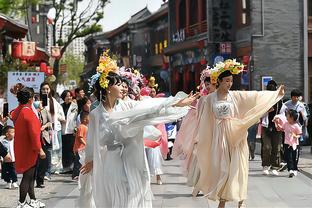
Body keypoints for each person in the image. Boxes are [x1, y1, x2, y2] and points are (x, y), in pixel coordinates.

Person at [78, 50, 198, 208]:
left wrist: (176, 103)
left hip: (131, 158)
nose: (123, 87)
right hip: (111, 162)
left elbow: (151, 107)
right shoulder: (96, 114)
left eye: (123, 84)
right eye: (118, 84)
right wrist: (90, 160)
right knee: (115, 198)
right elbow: (93, 141)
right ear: (107, 88)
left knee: (132, 196)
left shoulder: (128, 105)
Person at [195, 59, 284, 208]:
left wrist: (274, 95)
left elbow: (254, 96)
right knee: (222, 167)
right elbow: (206, 121)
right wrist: (203, 138)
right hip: (219, 136)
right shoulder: (209, 99)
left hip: (235, 133)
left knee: (238, 165)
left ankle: (241, 199)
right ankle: (223, 199)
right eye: (227, 81)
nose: (230, 84)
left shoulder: (235, 95)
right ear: (219, 81)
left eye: (231, 81)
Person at [11, 86, 46, 208]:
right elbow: (34, 134)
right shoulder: (29, 113)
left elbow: (12, 114)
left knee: (30, 176)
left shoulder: (21, 110)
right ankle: (21, 202)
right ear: (31, 99)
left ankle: (32, 200)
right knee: (28, 177)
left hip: (22, 147)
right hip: (30, 149)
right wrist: (40, 150)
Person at [39, 82, 65, 175]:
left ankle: (55, 168)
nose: (45, 91)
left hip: (54, 128)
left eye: (47, 89)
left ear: (50, 90)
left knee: (57, 149)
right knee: (45, 150)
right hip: (42, 129)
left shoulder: (54, 101)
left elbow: (60, 115)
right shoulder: (38, 101)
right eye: (43, 89)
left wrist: (58, 119)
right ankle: (45, 170)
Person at [260, 80, 283, 175]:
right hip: (266, 126)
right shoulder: (263, 100)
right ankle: (266, 165)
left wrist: (278, 118)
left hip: (276, 127)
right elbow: (258, 113)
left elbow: (283, 114)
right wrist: (267, 111)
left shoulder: (280, 101)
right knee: (266, 147)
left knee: (276, 147)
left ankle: (275, 166)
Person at [273, 109, 302, 178]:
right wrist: (277, 123)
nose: (286, 117)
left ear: (292, 118)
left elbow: (299, 134)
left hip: (294, 144)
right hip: (287, 143)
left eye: (288, 116)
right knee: (288, 157)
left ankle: (295, 169)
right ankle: (290, 170)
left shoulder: (296, 126)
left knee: (294, 157)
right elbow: (280, 129)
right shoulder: (286, 124)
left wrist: (295, 136)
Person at [61, 90, 78, 173]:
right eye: (67, 96)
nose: (69, 97)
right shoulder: (60, 106)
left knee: (72, 149)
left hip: (72, 130)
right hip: (63, 130)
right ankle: (65, 166)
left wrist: (76, 128)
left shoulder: (75, 106)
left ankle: (72, 166)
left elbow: (75, 118)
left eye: (70, 96)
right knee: (64, 149)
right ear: (64, 97)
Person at [72, 112, 88, 180]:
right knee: (78, 162)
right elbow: (80, 137)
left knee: (81, 161)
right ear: (84, 119)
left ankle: (79, 174)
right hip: (79, 148)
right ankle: (75, 174)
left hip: (82, 148)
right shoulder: (81, 127)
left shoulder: (86, 127)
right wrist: (86, 144)